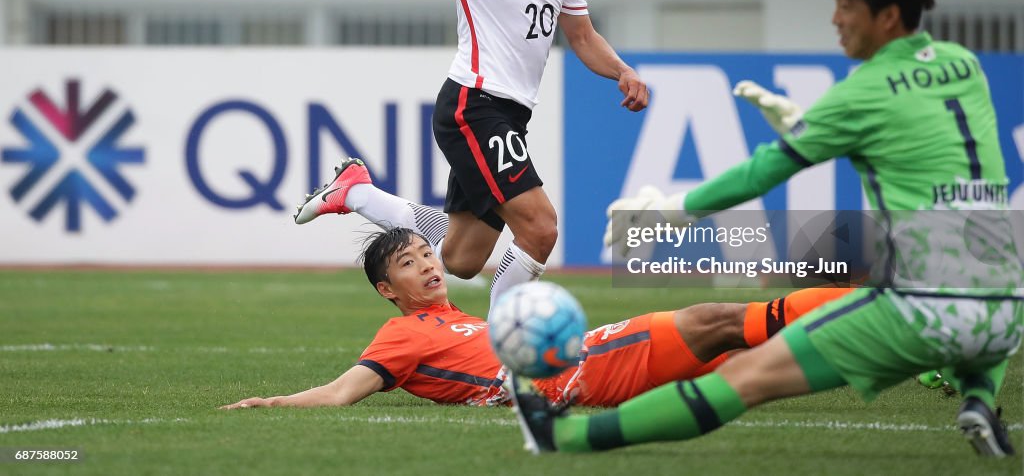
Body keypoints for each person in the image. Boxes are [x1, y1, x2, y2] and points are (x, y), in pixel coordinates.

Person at [509, 0, 1023, 457]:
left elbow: (762, 173)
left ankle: (564, 435)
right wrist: (808, 125)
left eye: (846, 6)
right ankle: (979, 398)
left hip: (926, 306)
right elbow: (919, 138)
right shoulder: (965, 66)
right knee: (973, 312)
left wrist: (670, 210)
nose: (835, 19)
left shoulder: (861, 94)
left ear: (887, 16)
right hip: (1008, 310)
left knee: (745, 376)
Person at [292, 0, 648, 314]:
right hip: (473, 105)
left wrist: (623, 70)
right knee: (540, 227)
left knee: (460, 257)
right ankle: (504, 356)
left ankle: (359, 195)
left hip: (510, 114)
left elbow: (582, 35)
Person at [220, 227, 850, 411]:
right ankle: (866, 303)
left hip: (578, 362)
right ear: (389, 291)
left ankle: (889, 344)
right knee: (712, 318)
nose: (431, 267)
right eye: (411, 265)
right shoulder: (401, 334)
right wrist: (271, 403)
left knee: (754, 360)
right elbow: (340, 394)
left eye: (428, 256)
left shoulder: (458, 314)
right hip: (567, 374)